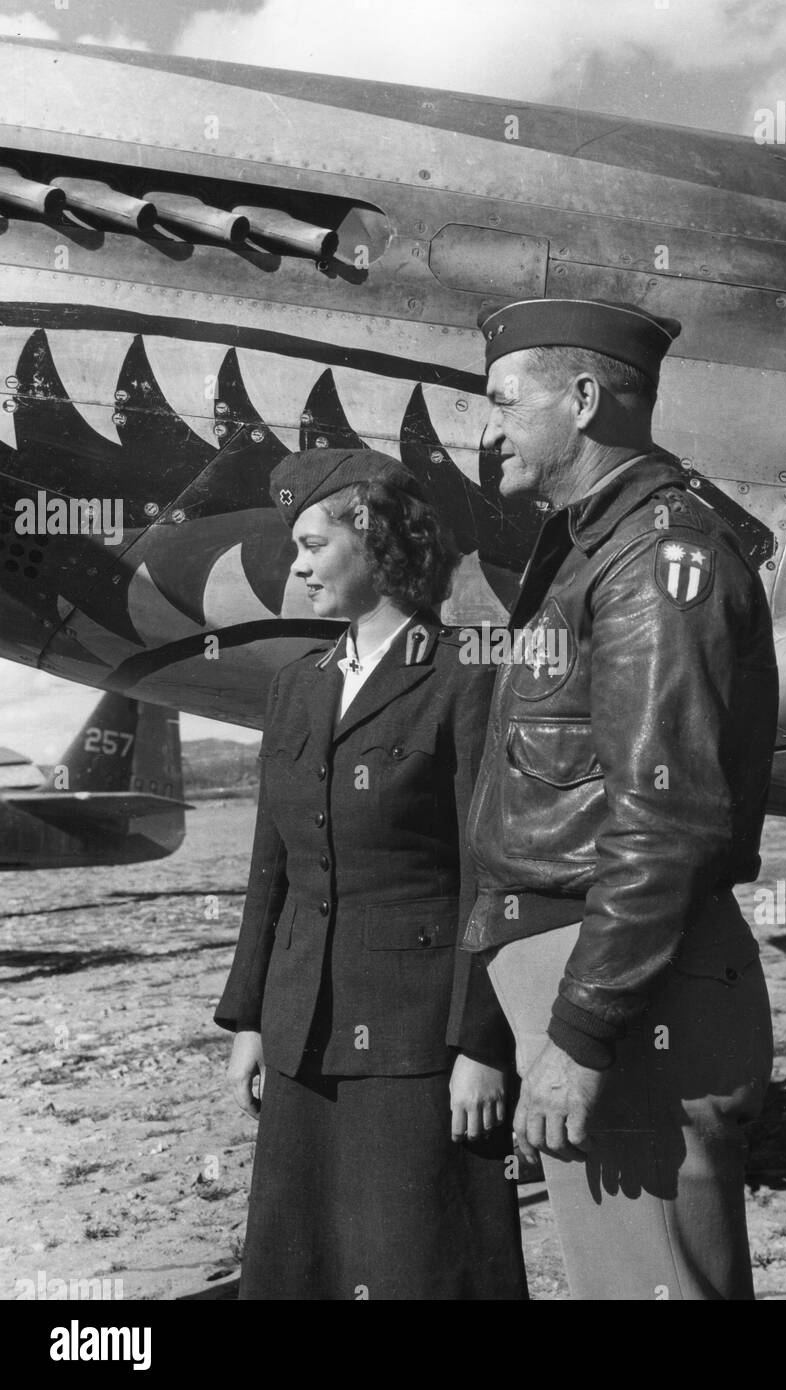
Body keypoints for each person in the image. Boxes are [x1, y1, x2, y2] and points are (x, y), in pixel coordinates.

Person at [461, 297, 778, 1300]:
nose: (487, 428)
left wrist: (584, 1034)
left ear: (585, 399)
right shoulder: (597, 546)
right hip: (600, 982)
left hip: (629, 1000)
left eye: (507, 402)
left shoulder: (654, 558)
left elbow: (666, 818)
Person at [214, 447, 528, 1301]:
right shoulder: (296, 687)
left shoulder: (467, 674)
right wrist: (251, 1020)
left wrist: (483, 1046)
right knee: (304, 1267)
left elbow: (490, 877)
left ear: (378, 539)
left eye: (314, 544)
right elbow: (269, 870)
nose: (298, 565)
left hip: (420, 1044)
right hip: (303, 1033)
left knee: (421, 1268)